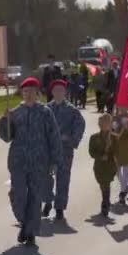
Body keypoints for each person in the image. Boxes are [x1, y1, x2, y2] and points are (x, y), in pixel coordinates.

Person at [0, 77, 62, 246]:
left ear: (37, 93)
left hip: (39, 162)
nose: (28, 95)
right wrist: (5, 120)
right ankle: (25, 223)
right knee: (17, 194)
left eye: (32, 92)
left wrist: (55, 160)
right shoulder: (16, 113)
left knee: (35, 197)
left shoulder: (45, 112)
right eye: (25, 92)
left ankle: (31, 232)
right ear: (22, 94)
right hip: (18, 161)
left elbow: (54, 137)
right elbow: (6, 137)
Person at [42, 79, 86, 220]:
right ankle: (48, 201)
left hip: (65, 150)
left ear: (65, 92)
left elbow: (80, 126)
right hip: (49, 150)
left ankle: (60, 208)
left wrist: (72, 139)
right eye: (56, 90)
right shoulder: (46, 109)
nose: (58, 93)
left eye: (61, 90)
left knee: (63, 179)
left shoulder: (72, 110)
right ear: (52, 92)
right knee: (46, 178)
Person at [88, 114, 118, 217]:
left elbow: (118, 152)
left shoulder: (114, 137)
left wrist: (111, 154)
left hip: (110, 166)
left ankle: (105, 205)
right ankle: (106, 201)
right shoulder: (94, 137)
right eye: (102, 123)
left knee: (106, 184)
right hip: (99, 166)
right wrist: (101, 156)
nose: (103, 125)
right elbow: (91, 152)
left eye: (106, 123)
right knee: (102, 185)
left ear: (110, 124)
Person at [112, 107, 128, 205]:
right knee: (117, 171)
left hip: (127, 149)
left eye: (123, 105)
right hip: (116, 148)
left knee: (126, 169)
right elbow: (110, 132)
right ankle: (124, 186)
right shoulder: (115, 118)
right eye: (119, 105)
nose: (121, 107)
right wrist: (113, 128)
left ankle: (123, 191)